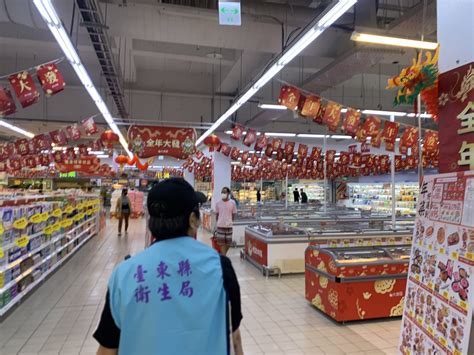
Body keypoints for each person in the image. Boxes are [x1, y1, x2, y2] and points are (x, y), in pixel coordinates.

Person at [93, 178, 243, 355]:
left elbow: (107, 350)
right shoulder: (220, 267)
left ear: (151, 222)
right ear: (193, 219)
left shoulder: (124, 274)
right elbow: (234, 337)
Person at [214, 187, 237, 256]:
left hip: (229, 226)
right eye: (222, 192)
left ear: (228, 193)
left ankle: (222, 255)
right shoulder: (218, 203)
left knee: (228, 243)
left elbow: (234, 213)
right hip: (220, 226)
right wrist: (217, 223)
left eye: (225, 192)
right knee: (221, 243)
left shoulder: (232, 203)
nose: (223, 193)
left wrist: (231, 221)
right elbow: (217, 215)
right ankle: (224, 257)